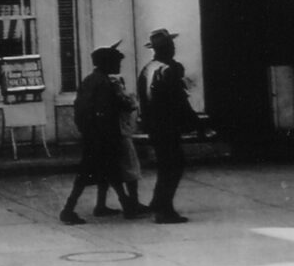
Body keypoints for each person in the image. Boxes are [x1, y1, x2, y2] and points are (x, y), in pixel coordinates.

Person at [61, 44, 151, 224]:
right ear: (107, 63)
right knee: (105, 172)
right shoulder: (104, 84)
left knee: (103, 172)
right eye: (116, 62)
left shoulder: (90, 80)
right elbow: (106, 111)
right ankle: (69, 210)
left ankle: (115, 205)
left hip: (92, 135)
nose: (118, 66)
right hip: (103, 136)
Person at [137, 28, 203, 224]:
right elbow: (178, 99)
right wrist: (194, 122)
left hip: (153, 123)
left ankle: (158, 202)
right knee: (173, 165)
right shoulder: (168, 70)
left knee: (165, 164)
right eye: (170, 45)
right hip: (167, 123)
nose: (173, 48)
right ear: (164, 48)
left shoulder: (148, 69)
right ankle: (165, 209)